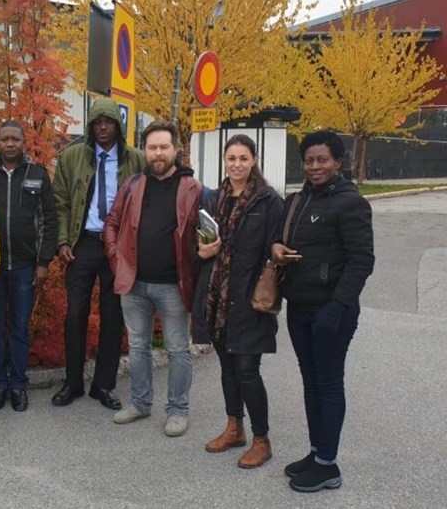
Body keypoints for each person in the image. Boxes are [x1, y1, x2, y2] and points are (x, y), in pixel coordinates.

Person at [271, 130, 374, 492]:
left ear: (338, 163)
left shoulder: (351, 203)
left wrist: (338, 306)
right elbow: (283, 240)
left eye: (323, 160)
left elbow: (362, 261)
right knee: (310, 382)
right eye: (310, 160)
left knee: (328, 384)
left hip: (333, 311)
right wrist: (277, 248)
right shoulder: (299, 201)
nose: (315, 166)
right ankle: (316, 453)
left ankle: (328, 465)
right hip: (299, 307)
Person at [103, 120, 203, 437]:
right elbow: (112, 224)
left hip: (173, 285)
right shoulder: (133, 184)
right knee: (138, 347)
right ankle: (140, 403)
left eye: (163, 147)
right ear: (144, 151)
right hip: (134, 284)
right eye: (152, 147)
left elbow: (209, 232)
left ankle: (178, 410)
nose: (157, 153)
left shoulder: (194, 189)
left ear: (176, 149)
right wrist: (116, 260)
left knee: (177, 349)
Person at [191, 134, 284, 466]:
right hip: (217, 296)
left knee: (247, 370)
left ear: (254, 160)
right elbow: (200, 243)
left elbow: (277, 245)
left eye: (243, 158)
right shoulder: (215, 198)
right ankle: (235, 428)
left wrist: (276, 251)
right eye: (231, 158)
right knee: (228, 367)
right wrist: (202, 250)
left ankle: (262, 439)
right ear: (225, 161)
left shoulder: (268, 200)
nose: (237, 164)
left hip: (248, 297)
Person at [51, 97, 146, 410]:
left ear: (118, 126)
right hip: (83, 243)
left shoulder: (136, 159)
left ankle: (103, 385)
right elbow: (61, 203)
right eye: (97, 122)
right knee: (75, 314)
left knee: (113, 315)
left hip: (118, 245)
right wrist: (63, 241)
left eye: (108, 122)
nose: (103, 127)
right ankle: (73, 383)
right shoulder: (71, 157)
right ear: (90, 127)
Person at [0, 120, 58, 412]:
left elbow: (50, 219)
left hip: (24, 266)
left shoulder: (37, 174)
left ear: (24, 141)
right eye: (5, 139)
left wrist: (43, 261)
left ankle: (18, 385)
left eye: (15, 139)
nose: (10, 144)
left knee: (20, 329)